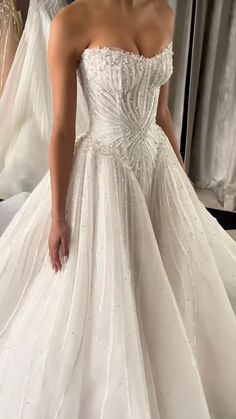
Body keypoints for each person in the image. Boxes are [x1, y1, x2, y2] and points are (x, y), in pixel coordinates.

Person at [0, 1, 236, 417]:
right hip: (103, 169)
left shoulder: (164, 13)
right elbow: (62, 128)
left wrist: (180, 179)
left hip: (156, 163)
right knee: (110, 279)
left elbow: (162, 114)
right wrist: (57, 215)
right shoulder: (72, 21)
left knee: (172, 274)